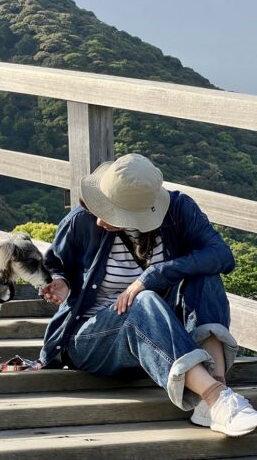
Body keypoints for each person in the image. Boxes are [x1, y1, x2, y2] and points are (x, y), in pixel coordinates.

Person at [35, 153, 257, 437]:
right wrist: (60, 282)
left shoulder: (177, 210)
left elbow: (222, 256)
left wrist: (151, 276)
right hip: (92, 339)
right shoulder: (82, 220)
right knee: (144, 302)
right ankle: (216, 397)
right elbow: (51, 264)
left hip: (160, 341)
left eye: (113, 213)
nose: (101, 219)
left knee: (205, 277)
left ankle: (211, 396)